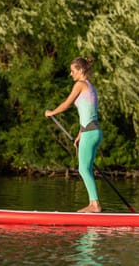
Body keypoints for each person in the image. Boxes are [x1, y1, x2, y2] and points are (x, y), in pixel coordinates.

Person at [45, 57, 103, 213]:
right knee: (87, 168)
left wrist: (51, 112)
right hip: (93, 131)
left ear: (81, 70)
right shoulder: (91, 87)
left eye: (73, 71)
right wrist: (79, 134)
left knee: (83, 169)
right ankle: (93, 203)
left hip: (90, 133)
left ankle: (95, 205)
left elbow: (66, 104)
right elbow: (88, 114)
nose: (71, 74)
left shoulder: (80, 85)